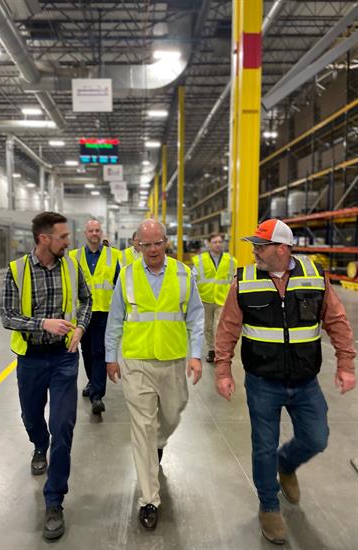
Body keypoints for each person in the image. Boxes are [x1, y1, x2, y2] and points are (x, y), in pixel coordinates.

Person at [214, 218, 356, 545]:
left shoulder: (314, 276)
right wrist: (222, 371)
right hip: (262, 381)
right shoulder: (244, 281)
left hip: (305, 381)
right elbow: (227, 328)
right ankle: (269, 505)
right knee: (264, 445)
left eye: (260, 246)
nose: (254, 252)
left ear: (281, 249)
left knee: (317, 437)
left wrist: (346, 364)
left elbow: (336, 320)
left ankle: (286, 464)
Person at [105, 219, 204, 530]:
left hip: (173, 359)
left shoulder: (183, 274)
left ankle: (159, 441)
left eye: (157, 243)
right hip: (136, 361)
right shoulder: (127, 275)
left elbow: (196, 316)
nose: (152, 249)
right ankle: (149, 499)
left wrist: (196, 354)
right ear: (137, 245)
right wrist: (110, 357)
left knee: (172, 414)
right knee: (142, 428)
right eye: (145, 244)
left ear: (166, 242)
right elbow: (115, 319)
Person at [0, 211, 92, 540]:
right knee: (31, 416)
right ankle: (39, 445)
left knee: (63, 428)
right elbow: (7, 315)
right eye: (63, 237)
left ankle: (54, 501)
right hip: (31, 359)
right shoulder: (17, 270)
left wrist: (80, 327)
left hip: (64, 358)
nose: (69, 242)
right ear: (44, 239)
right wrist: (42, 324)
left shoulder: (72, 266)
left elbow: (87, 300)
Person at [69, 219, 120, 415]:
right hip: (82, 312)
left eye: (97, 230)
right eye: (91, 230)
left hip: (104, 311)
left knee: (99, 351)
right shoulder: (74, 256)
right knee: (87, 351)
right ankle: (92, 382)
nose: (94, 233)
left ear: (101, 232)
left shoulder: (113, 255)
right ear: (85, 233)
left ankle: (97, 395)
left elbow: (120, 283)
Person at [192, 232, 237, 363]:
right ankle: (211, 350)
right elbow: (193, 279)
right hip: (205, 299)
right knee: (207, 327)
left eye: (220, 242)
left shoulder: (231, 261)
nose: (218, 244)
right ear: (208, 243)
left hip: (223, 299)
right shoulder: (200, 260)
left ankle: (219, 351)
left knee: (219, 327)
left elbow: (234, 280)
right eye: (215, 242)